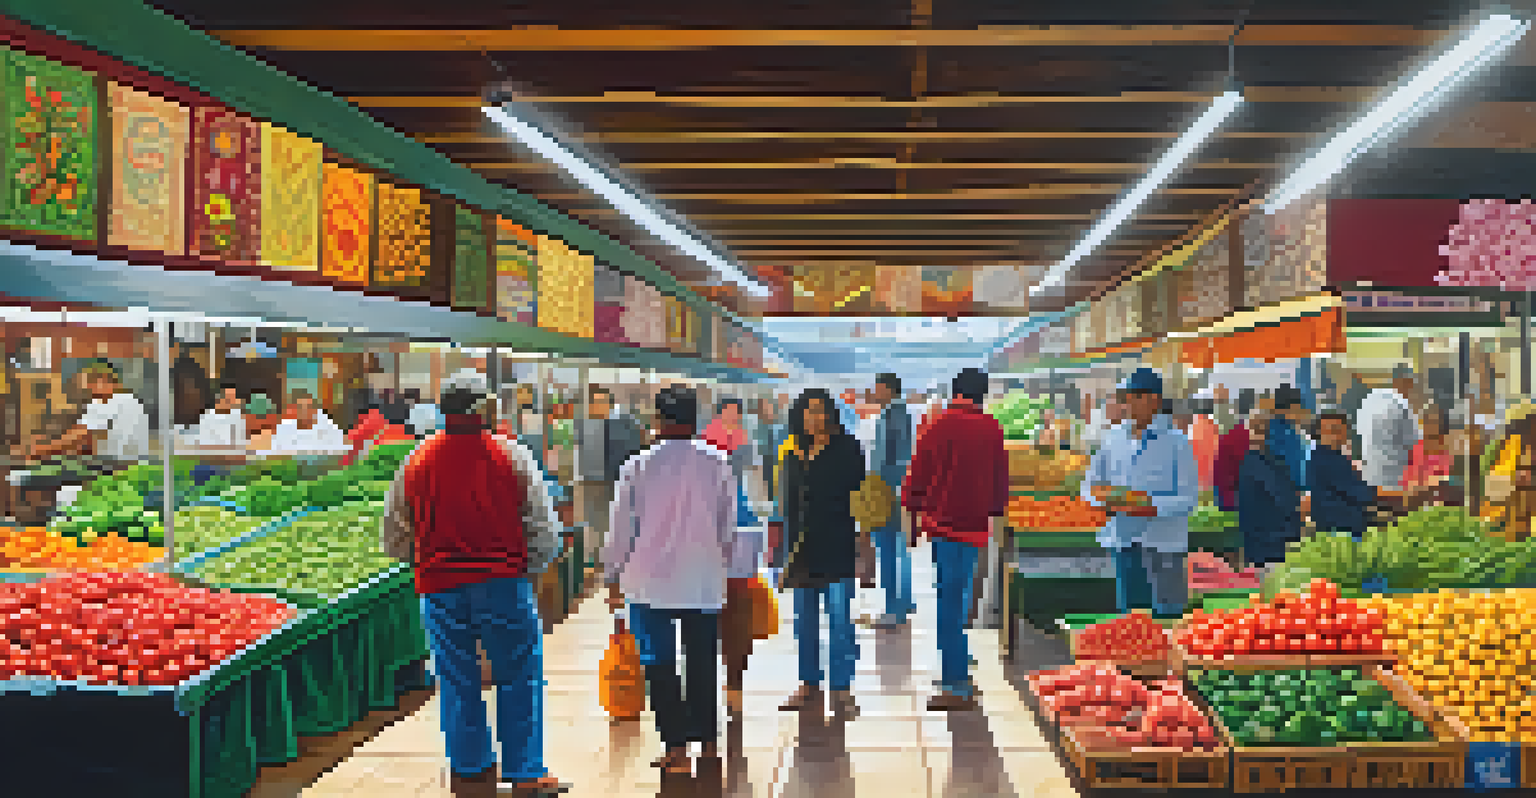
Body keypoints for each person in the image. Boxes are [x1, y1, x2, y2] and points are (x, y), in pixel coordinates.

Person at [378, 370, 567, 798]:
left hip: (440, 587)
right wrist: (528, 568)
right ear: (483, 408)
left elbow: (393, 536)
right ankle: (525, 771)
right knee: (519, 676)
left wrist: (429, 557)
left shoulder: (416, 460)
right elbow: (544, 530)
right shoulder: (511, 456)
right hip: (503, 583)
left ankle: (470, 768)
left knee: (457, 678)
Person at [604, 386, 749, 775]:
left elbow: (621, 530)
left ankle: (677, 749)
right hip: (701, 580)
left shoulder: (637, 466)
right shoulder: (718, 463)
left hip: (649, 583)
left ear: (657, 420)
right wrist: (718, 562)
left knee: (659, 662)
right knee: (702, 658)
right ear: (695, 418)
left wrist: (611, 574)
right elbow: (727, 527)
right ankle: (710, 742)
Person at [903, 368, 1009, 712]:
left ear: (955, 391)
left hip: (945, 527)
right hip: (976, 527)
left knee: (948, 604)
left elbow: (917, 474)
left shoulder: (939, 425)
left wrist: (912, 515)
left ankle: (956, 684)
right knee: (960, 599)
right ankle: (960, 667)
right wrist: (993, 511)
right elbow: (999, 480)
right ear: (982, 395)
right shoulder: (992, 427)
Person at [777, 388, 868, 720]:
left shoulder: (848, 449)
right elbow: (786, 503)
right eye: (808, 411)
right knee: (804, 621)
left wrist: (865, 542)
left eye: (820, 411)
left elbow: (863, 498)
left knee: (840, 619)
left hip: (837, 543)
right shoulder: (791, 450)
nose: (814, 418)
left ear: (831, 414)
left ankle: (842, 688)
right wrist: (781, 549)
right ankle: (808, 683)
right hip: (801, 548)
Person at [1081, 368, 1200, 620]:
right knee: (1131, 622)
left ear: (1154, 399)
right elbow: (1090, 484)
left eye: (1134, 396)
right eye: (1125, 397)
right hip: (1124, 542)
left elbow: (1189, 498)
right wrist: (1103, 501)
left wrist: (1150, 506)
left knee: (1167, 619)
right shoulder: (1112, 437)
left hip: (1163, 545)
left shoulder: (1177, 442)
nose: (1127, 404)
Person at [862, 373, 914, 629]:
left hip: (887, 491)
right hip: (898, 489)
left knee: (888, 550)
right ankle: (904, 601)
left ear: (888, 390)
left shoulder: (890, 416)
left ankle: (893, 609)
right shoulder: (903, 414)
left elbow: (885, 459)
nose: (874, 393)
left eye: (878, 388)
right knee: (899, 548)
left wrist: (875, 491)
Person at [26, 361, 150, 462]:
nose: (88, 388)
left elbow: (78, 436)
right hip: (139, 463)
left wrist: (42, 448)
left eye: (90, 382)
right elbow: (87, 436)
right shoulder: (131, 399)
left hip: (116, 466)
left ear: (103, 379)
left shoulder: (106, 401)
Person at [575, 386, 647, 555]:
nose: (599, 407)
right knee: (598, 527)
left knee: (620, 524)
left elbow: (640, 445)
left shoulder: (627, 423)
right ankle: (599, 559)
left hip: (622, 482)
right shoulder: (586, 426)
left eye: (603, 402)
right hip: (595, 485)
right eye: (596, 403)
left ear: (610, 404)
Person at [1238, 408, 1303, 570]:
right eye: (1257, 429)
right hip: (1270, 542)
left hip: (1263, 540)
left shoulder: (1255, 459)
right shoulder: (1259, 461)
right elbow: (1282, 496)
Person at [1309, 411, 1381, 540]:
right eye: (1332, 430)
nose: (1337, 435)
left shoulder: (1333, 456)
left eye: (1341, 429)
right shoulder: (1327, 460)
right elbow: (1358, 492)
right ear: (1318, 432)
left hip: (1340, 527)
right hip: (1341, 530)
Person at [1358, 370, 1422, 490]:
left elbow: (1359, 430)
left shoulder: (1371, 398)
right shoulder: (1402, 403)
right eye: (1411, 384)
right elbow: (1414, 442)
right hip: (1393, 477)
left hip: (1369, 473)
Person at [269, 390, 345, 454]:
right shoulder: (284, 429)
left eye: (308, 407)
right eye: (300, 407)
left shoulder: (328, 428)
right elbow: (274, 451)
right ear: (294, 409)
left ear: (314, 410)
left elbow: (341, 449)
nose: (304, 411)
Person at [1402, 406, 1453, 495]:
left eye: (1433, 422)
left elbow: (1441, 482)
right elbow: (1405, 477)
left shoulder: (1445, 453)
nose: (1429, 425)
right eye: (1427, 421)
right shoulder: (1414, 447)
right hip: (1407, 494)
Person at [198, 382, 246, 449]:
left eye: (234, 399)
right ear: (219, 399)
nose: (232, 403)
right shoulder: (208, 417)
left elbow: (240, 441)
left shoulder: (237, 415)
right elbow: (204, 443)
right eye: (228, 400)